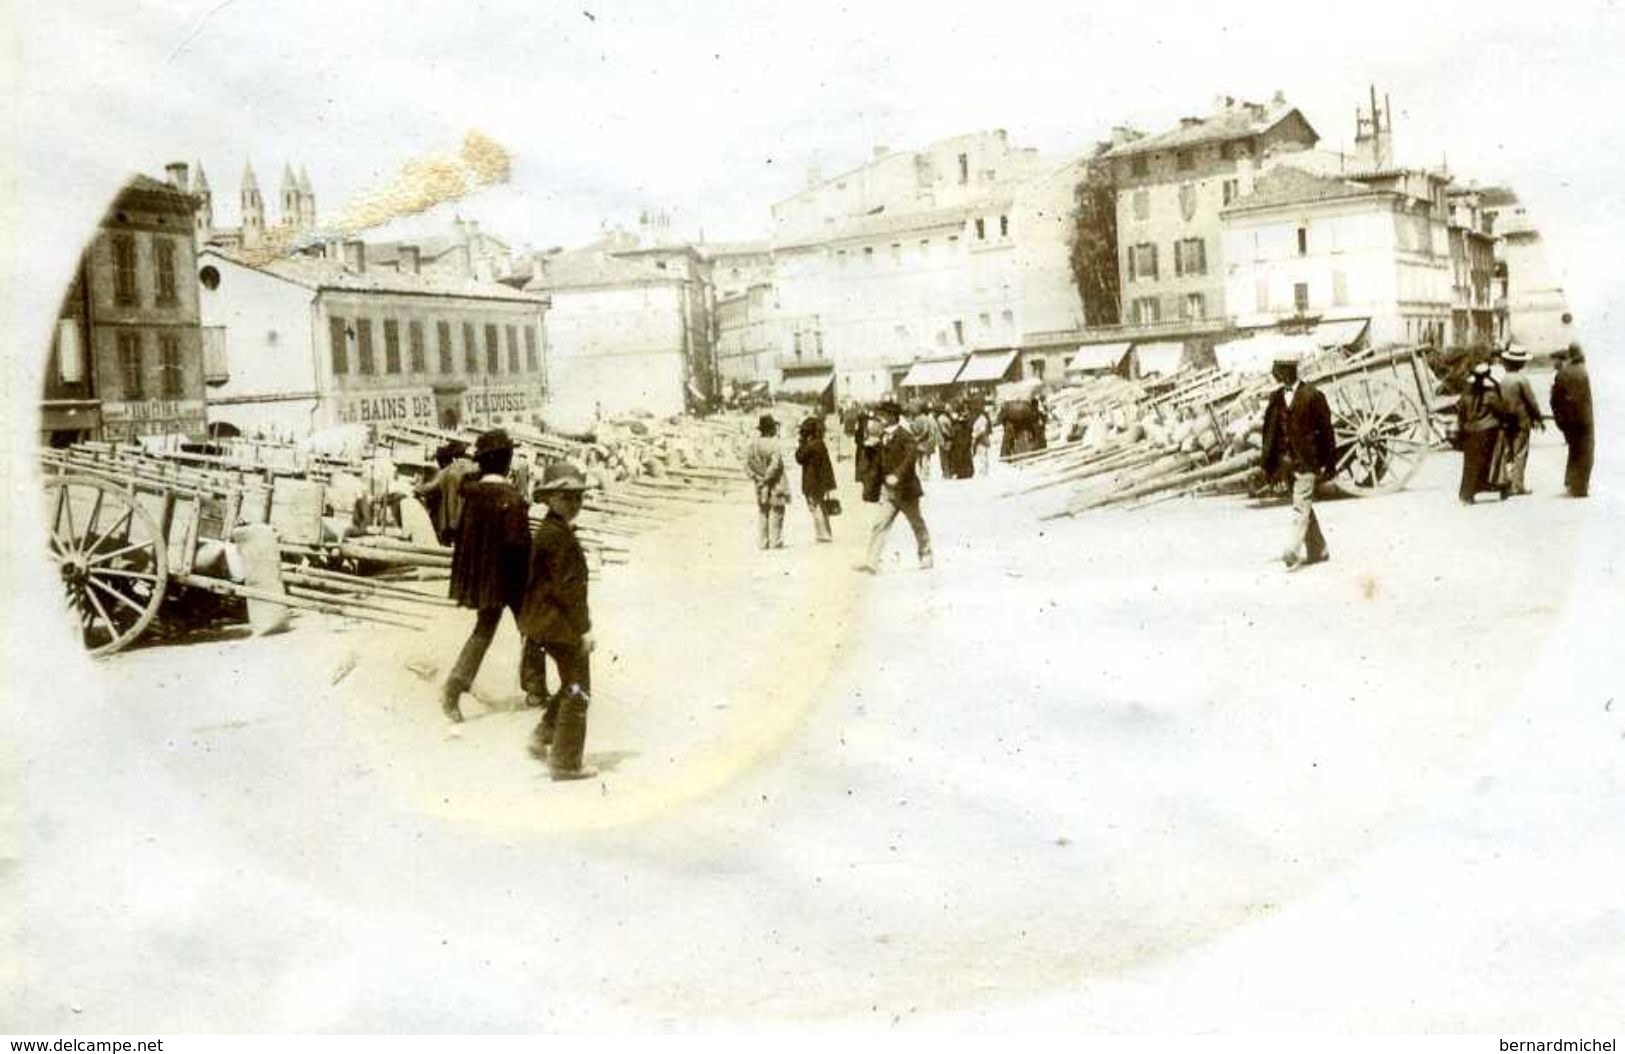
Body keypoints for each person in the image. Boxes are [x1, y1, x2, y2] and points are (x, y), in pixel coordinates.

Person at [442, 429, 543, 723]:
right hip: (511, 577)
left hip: (484, 576)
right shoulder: (510, 498)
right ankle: (536, 688)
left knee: (483, 630)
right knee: (531, 627)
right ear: (507, 461)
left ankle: (453, 688)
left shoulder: (472, 493)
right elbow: (517, 545)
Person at [517, 462, 598, 781]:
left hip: (545, 621)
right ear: (549, 498)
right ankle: (565, 763)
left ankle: (544, 736)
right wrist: (584, 629)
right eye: (567, 497)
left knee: (570, 685)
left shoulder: (553, 530)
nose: (574, 504)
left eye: (578, 497)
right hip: (558, 623)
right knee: (579, 689)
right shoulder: (557, 536)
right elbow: (569, 590)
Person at [1260, 348, 1337, 571]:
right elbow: (1269, 432)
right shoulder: (1276, 398)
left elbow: (1327, 432)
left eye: (1279, 369)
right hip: (1287, 463)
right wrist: (1268, 464)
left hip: (1307, 462)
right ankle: (1319, 549)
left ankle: (1291, 550)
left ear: (1289, 370)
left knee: (1300, 506)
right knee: (1304, 505)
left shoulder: (1313, 396)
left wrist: (1329, 464)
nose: (1275, 374)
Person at [855, 398, 933, 574]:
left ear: (892, 416)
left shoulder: (905, 436)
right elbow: (875, 464)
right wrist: (869, 448)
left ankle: (926, 554)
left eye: (883, 414)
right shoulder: (881, 437)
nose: (879, 417)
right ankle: (872, 562)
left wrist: (897, 475)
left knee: (916, 523)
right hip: (889, 493)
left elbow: (910, 458)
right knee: (879, 524)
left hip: (906, 491)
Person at [1456, 362, 1511, 503]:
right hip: (1488, 432)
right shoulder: (1491, 395)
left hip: (1470, 432)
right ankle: (1497, 486)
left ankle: (1467, 494)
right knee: (1493, 461)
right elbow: (1502, 412)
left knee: (1470, 463)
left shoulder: (1466, 396)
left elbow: (1460, 415)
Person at [1496, 344, 1545, 496]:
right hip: (1521, 421)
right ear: (1521, 363)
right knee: (1520, 453)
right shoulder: (1522, 380)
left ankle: (1504, 482)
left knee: (1507, 452)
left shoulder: (1502, 380)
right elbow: (1532, 402)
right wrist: (1539, 418)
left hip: (1505, 421)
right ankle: (1517, 485)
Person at [1549, 343, 1594, 498]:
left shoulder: (1563, 373)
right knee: (1585, 452)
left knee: (1574, 450)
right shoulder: (1587, 371)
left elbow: (1554, 399)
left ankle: (1571, 482)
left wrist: (1560, 420)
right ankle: (1580, 487)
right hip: (1585, 419)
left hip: (1569, 421)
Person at [414, 440, 479, 545]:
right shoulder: (476, 468)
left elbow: (426, 489)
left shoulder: (450, 469)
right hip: (471, 523)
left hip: (451, 524)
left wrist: (417, 486)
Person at [743, 413, 790, 549]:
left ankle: (763, 542)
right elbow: (775, 465)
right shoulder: (774, 444)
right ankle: (776, 541)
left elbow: (746, 465)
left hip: (759, 485)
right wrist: (767, 478)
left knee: (763, 511)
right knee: (778, 510)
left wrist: (757, 478)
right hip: (776, 483)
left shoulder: (753, 444)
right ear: (771, 429)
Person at [794, 415, 836, 543]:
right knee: (821, 506)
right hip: (820, 481)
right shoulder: (820, 443)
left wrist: (801, 442)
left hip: (812, 481)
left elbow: (799, 458)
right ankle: (826, 533)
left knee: (815, 507)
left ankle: (822, 534)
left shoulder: (811, 445)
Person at [911, 403, 941, 480]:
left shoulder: (915, 419)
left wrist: (916, 437)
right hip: (926, 441)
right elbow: (926, 430)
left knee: (919, 459)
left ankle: (920, 473)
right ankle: (925, 474)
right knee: (926, 458)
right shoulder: (927, 419)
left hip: (918, 442)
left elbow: (913, 429)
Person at [971, 403, 993, 476]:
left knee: (982, 455)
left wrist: (974, 435)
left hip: (981, 439)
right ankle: (984, 469)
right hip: (983, 439)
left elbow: (981, 430)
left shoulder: (981, 419)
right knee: (983, 455)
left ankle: (983, 470)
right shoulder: (983, 418)